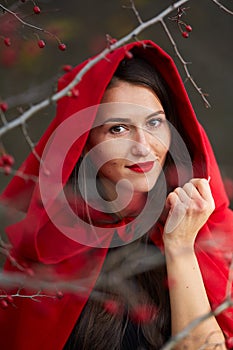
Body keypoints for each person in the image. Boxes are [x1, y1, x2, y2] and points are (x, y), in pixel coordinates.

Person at [0, 40, 232, 349]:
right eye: (118, 130)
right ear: (83, 143)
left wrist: (180, 246)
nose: (143, 146)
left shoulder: (214, 235)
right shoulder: (45, 254)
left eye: (154, 123)